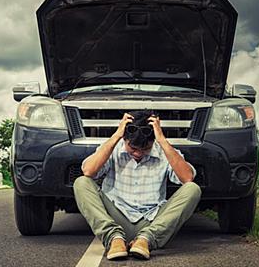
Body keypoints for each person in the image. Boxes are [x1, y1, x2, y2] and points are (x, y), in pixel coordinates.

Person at [73, 110, 202, 260]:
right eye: (133, 148)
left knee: (193, 189)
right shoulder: (114, 147)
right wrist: (116, 135)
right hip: (117, 218)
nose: (138, 153)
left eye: (145, 149)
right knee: (81, 182)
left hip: (152, 223)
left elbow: (187, 177)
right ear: (124, 138)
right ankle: (114, 239)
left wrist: (162, 140)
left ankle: (146, 240)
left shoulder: (164, 150)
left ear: (153, 141)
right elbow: (88, 170)